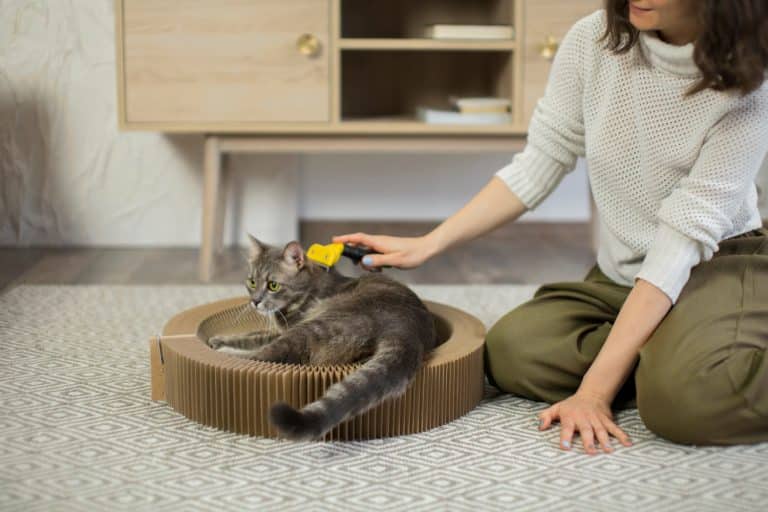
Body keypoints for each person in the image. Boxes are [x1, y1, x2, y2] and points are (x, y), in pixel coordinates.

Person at [333, 0, 768, 455]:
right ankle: (665, 356)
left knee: (685, 406)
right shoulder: (594, 38)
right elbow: (543, 158)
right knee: (512, 349)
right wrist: (428, 244)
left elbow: (679, 243)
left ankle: (679, 368)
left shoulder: (750, 85)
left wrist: (594, 392)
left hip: (714, 264)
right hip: (622, 276)